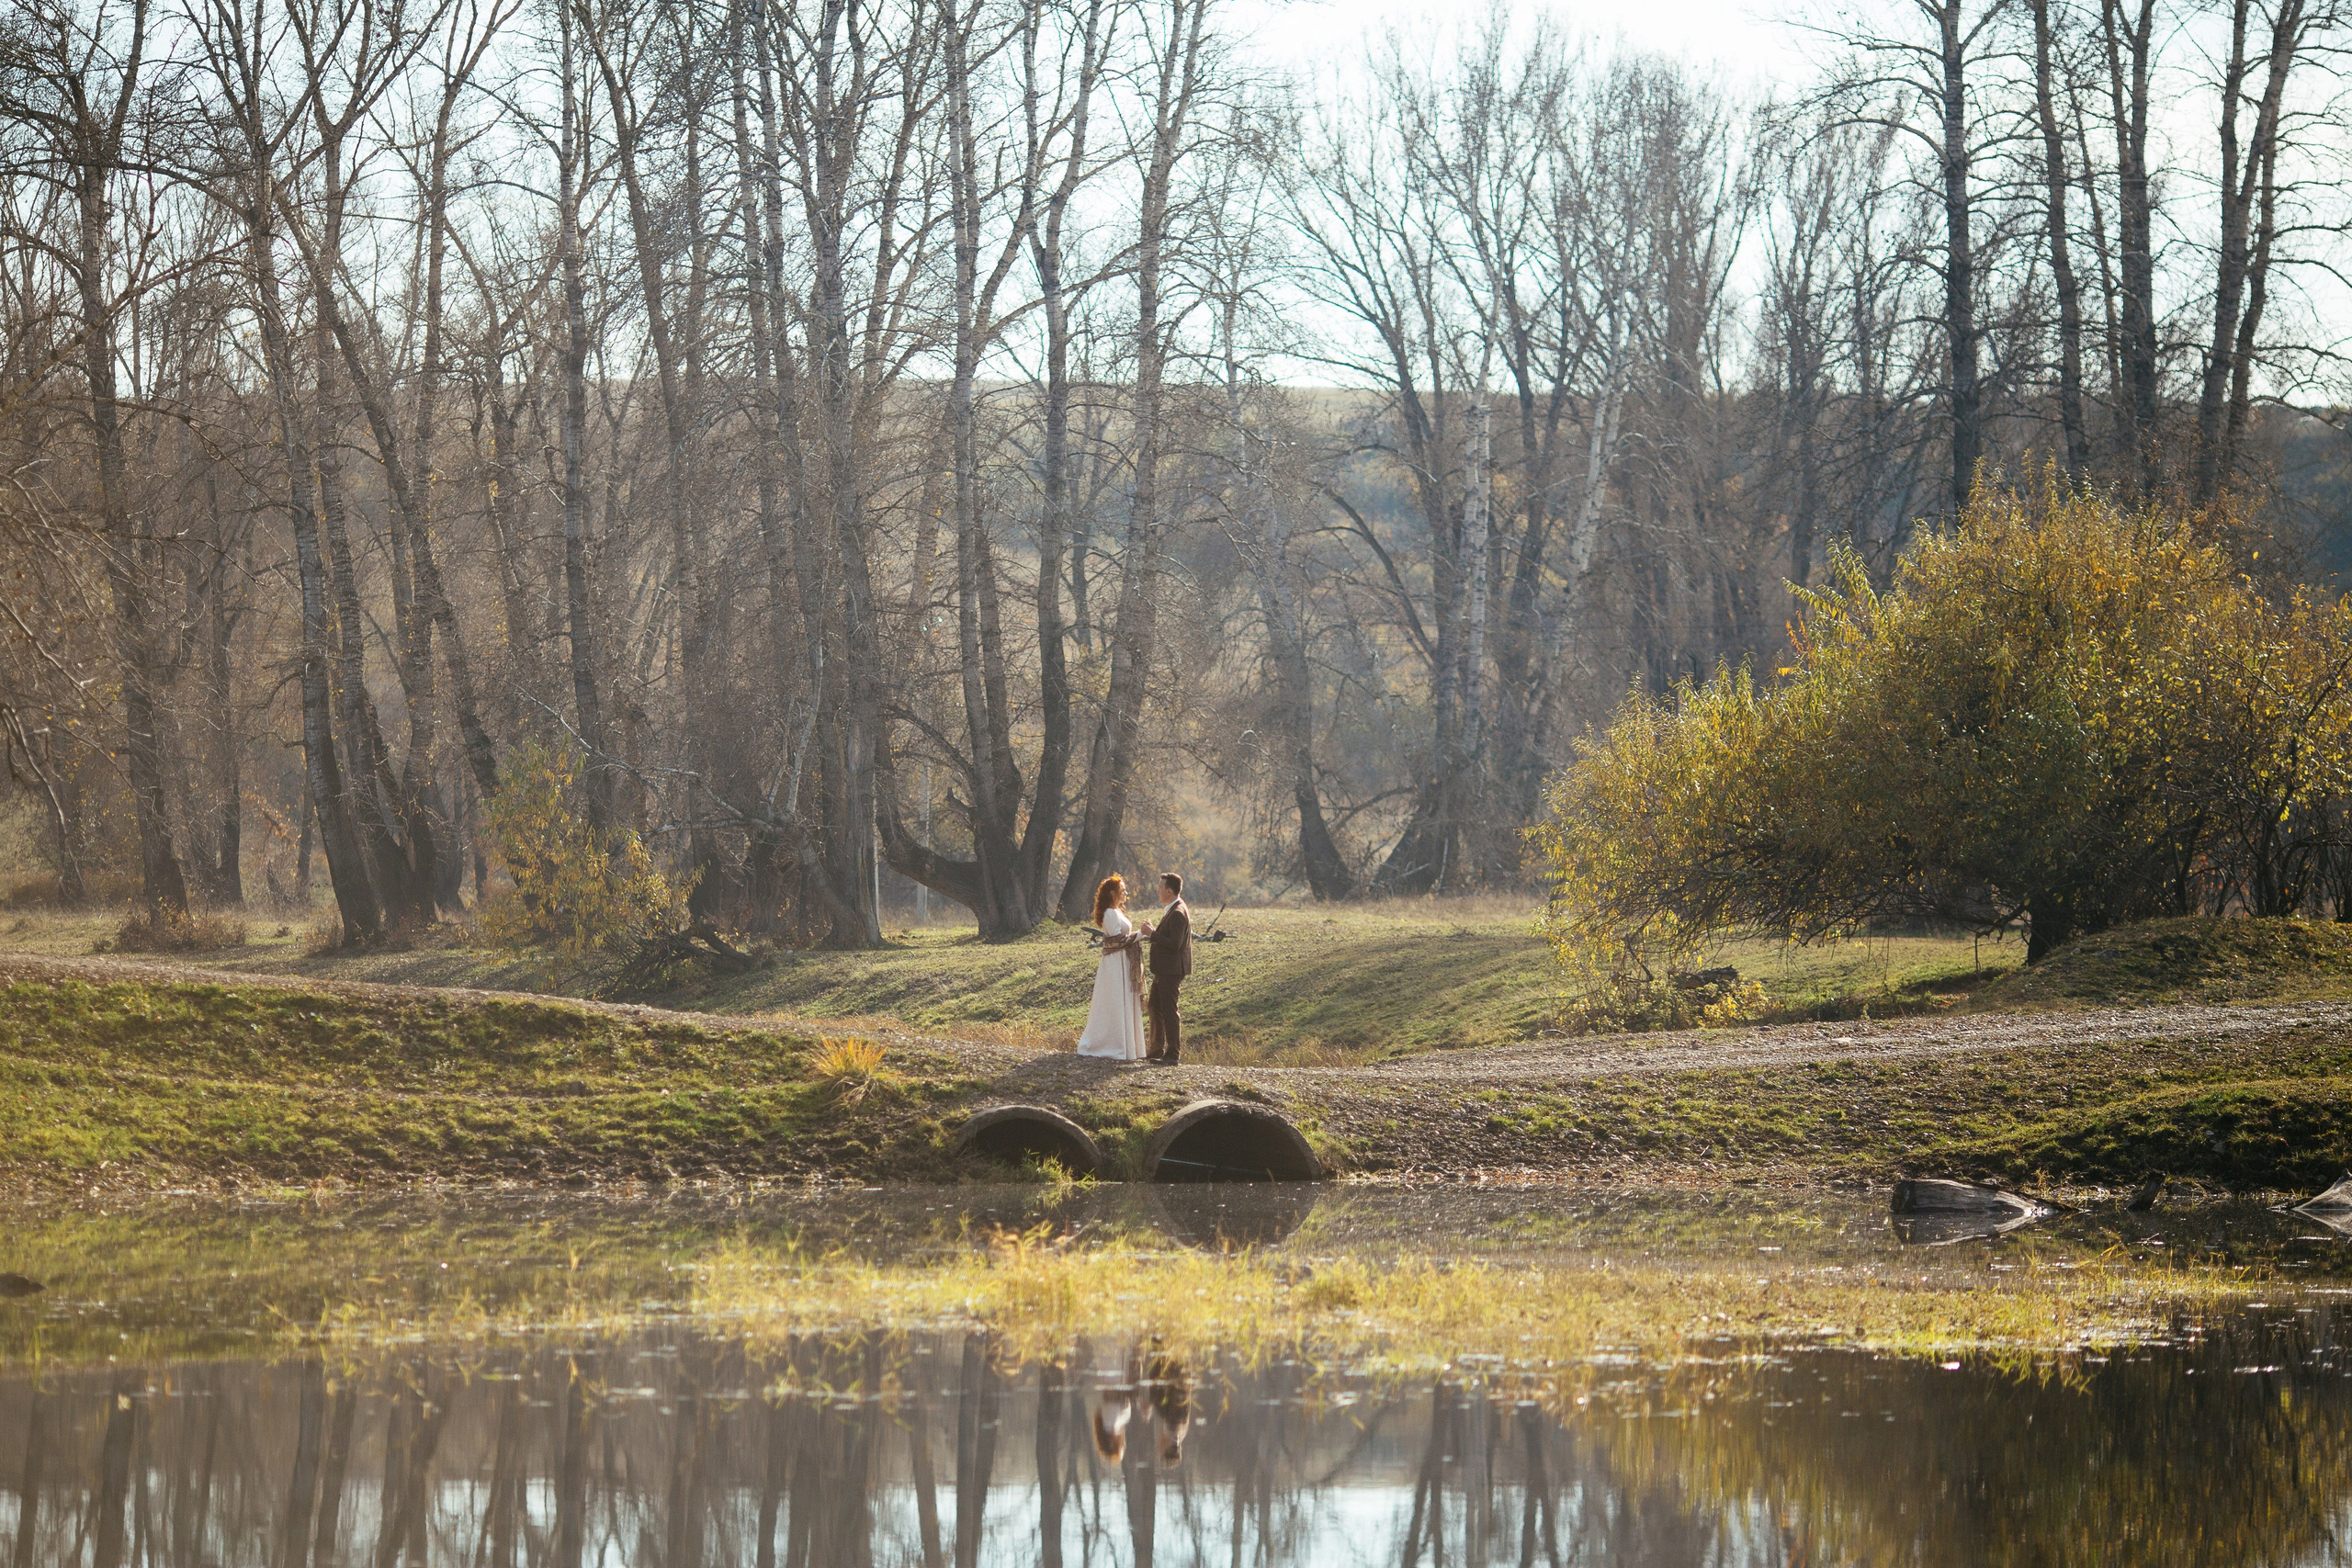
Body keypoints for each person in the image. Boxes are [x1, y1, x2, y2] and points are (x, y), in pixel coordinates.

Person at [1075, 874, 1148, 1060]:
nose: (1125, 893)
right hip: (1115, 964)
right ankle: (1112, 1045)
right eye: (1122, 890)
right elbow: (1116, 940)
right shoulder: (1108, 913)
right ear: (1112, 892)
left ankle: (1129, 1047)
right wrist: (1141, 934)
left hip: (1124, 962)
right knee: (1115, 1001)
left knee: (1124, 1000)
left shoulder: (1117, 911)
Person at [1141, 872, 1191, 1064]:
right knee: (1154, 1006)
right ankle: (1156, 1050)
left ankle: (1172, 1054)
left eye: (1160, 887)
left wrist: (1152, 934)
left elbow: (1175, 943)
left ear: (1169, 891)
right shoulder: (1174, 908)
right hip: (1165, 970)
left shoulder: (1178, 912)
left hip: (1171, 970)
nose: (1158, 891)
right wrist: (1155, 931)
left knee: (1169, 1011)